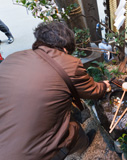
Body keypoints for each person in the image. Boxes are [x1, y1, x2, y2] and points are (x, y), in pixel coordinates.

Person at [0, 21, 110, 160]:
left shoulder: (13, 57)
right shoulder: (69, 64)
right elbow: (93, 91)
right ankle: (83, 145)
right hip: (30, 153)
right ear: (65, 48)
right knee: (73, 129)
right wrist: (105, 86)